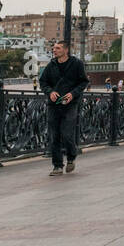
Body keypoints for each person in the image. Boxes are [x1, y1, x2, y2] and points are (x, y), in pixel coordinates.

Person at [39, 39, 89, 176]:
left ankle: (71, 157)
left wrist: (72, 94)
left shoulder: (76, 64)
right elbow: (43, 82)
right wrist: (50, 92)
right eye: (54, 48)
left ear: (66, 50)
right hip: (53, 105)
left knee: (67, 133)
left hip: (70, 104)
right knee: (54, 135)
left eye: (58, 48)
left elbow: (84, 82)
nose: (54, 50)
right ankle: (57, 166)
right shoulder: (51, 65)